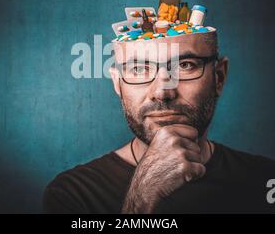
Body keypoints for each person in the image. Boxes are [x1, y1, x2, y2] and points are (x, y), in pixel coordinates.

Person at [43, 30, 275, 213]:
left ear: (219, 77)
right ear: (117, 83)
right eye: (139, 69)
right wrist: (141, 201)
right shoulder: (72, 195)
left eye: (185, 66)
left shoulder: (265, 179)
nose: (162, 93)